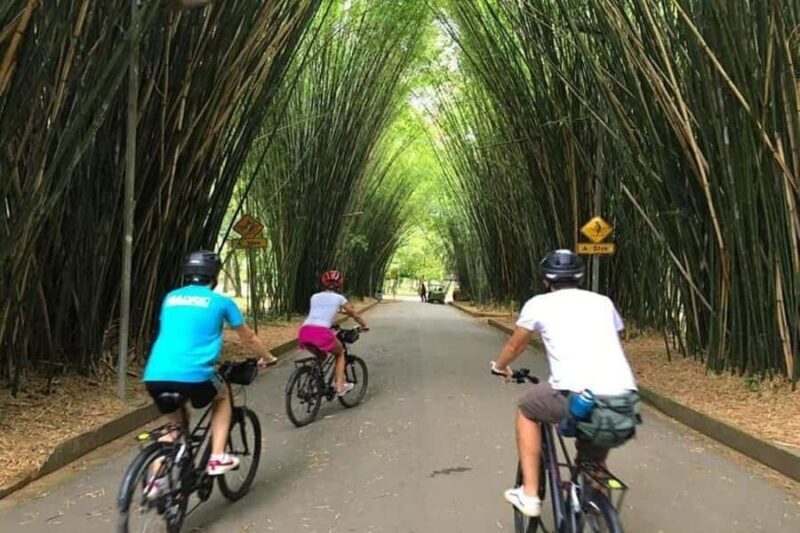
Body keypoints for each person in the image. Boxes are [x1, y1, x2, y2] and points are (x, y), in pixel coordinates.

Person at [490, 249, 638, 518]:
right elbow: (615, 335)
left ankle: (530, 494)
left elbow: (516, 344)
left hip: (576, 394)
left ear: (546, 280)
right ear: (579, 277)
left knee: (527, 407)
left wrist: (500, 367)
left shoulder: (538, 304)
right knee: (592, 460)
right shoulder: (603, 302)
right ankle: (597, 508)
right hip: (623, 398)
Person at [143, 250, 276, 489]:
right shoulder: (222, 302)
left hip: (155, 374)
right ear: (213, 275)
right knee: (223, 394)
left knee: (174, 427)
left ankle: (155, 483)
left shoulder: (171, 298)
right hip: (194, 376)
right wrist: (268, 357)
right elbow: (249, 338)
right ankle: (217, 457)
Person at [297, 270, 369, 395]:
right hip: (321, 332)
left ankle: (314, 379)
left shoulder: (314, 296)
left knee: (322, 356)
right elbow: (354, 314)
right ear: (340, 284)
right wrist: (363, 324)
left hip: (305, 331)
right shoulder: (340, 298)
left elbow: (320, 312)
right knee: (340, 353)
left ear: (324, 282)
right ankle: (340, 386)